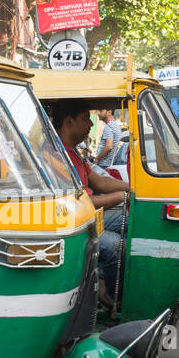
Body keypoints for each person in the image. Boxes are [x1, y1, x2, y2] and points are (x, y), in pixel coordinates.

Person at [51, 98, 132, 308]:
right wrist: (121, 198)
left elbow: (100, 182)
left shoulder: (74, 153)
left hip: (90, 217)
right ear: (69, 122)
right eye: (86, 118)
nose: (91, 124)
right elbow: (81, 202)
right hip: (74, 224)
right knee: (116, 246)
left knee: (135, 221)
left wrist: (131, 188)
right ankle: (112, 301)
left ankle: (106, 283)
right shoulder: (56, 156)